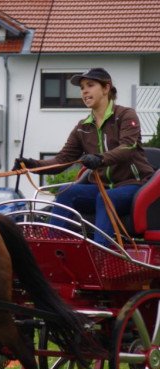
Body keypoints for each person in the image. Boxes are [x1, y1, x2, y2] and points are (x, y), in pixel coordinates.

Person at [14, 67, 154, 245]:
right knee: (67, 194)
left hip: (134, 185)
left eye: (90, 85)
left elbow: (128, 147)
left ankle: (100, 256)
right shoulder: (82, 127)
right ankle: (52, 247)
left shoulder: (125, 115)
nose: (84, 91)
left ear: (106, 88)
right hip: (102, 186)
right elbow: (62, 159)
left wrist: (100, 159)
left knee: (106, 198)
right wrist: (32, 165)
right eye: (81, 88)